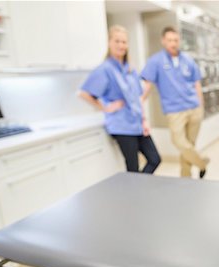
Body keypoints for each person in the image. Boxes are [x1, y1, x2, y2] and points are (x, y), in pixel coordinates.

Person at [79, 25, 161, 174]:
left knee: (155, 159)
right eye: (117, 41)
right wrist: (106, 107)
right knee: (133, 168)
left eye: (124, 42)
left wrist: (144, 120)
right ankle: (134, 194)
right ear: (109, 42)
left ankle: (138, 188)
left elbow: (138, 98)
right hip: (121, 125)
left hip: (137, 123)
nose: (121, 45)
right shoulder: (105, 69)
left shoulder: (130, 69)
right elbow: (84, 93)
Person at [141, 27, 209, 179]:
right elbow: (147, 85)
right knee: (179, 141)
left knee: (190, 144)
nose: (173, 43)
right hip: (174, 110)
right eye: (170, 40)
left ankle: (186, 177)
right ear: (163, 41)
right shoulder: (155, 61)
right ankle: (201, 163)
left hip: (194, 107)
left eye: (176, 40)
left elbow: (197, 83)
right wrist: (139, 102)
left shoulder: (188, 59)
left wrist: (201, 105)